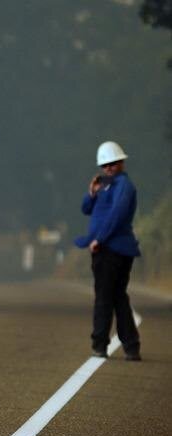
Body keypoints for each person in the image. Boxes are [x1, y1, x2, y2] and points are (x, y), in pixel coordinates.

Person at [74, 141, 141, 361]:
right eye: (105, 165)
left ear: (121, 162)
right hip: (108, 249)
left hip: (112, 249)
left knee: (104, 298)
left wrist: (99, 239)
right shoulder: (105, 186)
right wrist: (91, 193)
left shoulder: (124, 186)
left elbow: (118, 215)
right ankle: (131, 346)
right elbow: (86, 209)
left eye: (113, 163)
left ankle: (100, 345)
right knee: (118, 297)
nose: (109, 168)